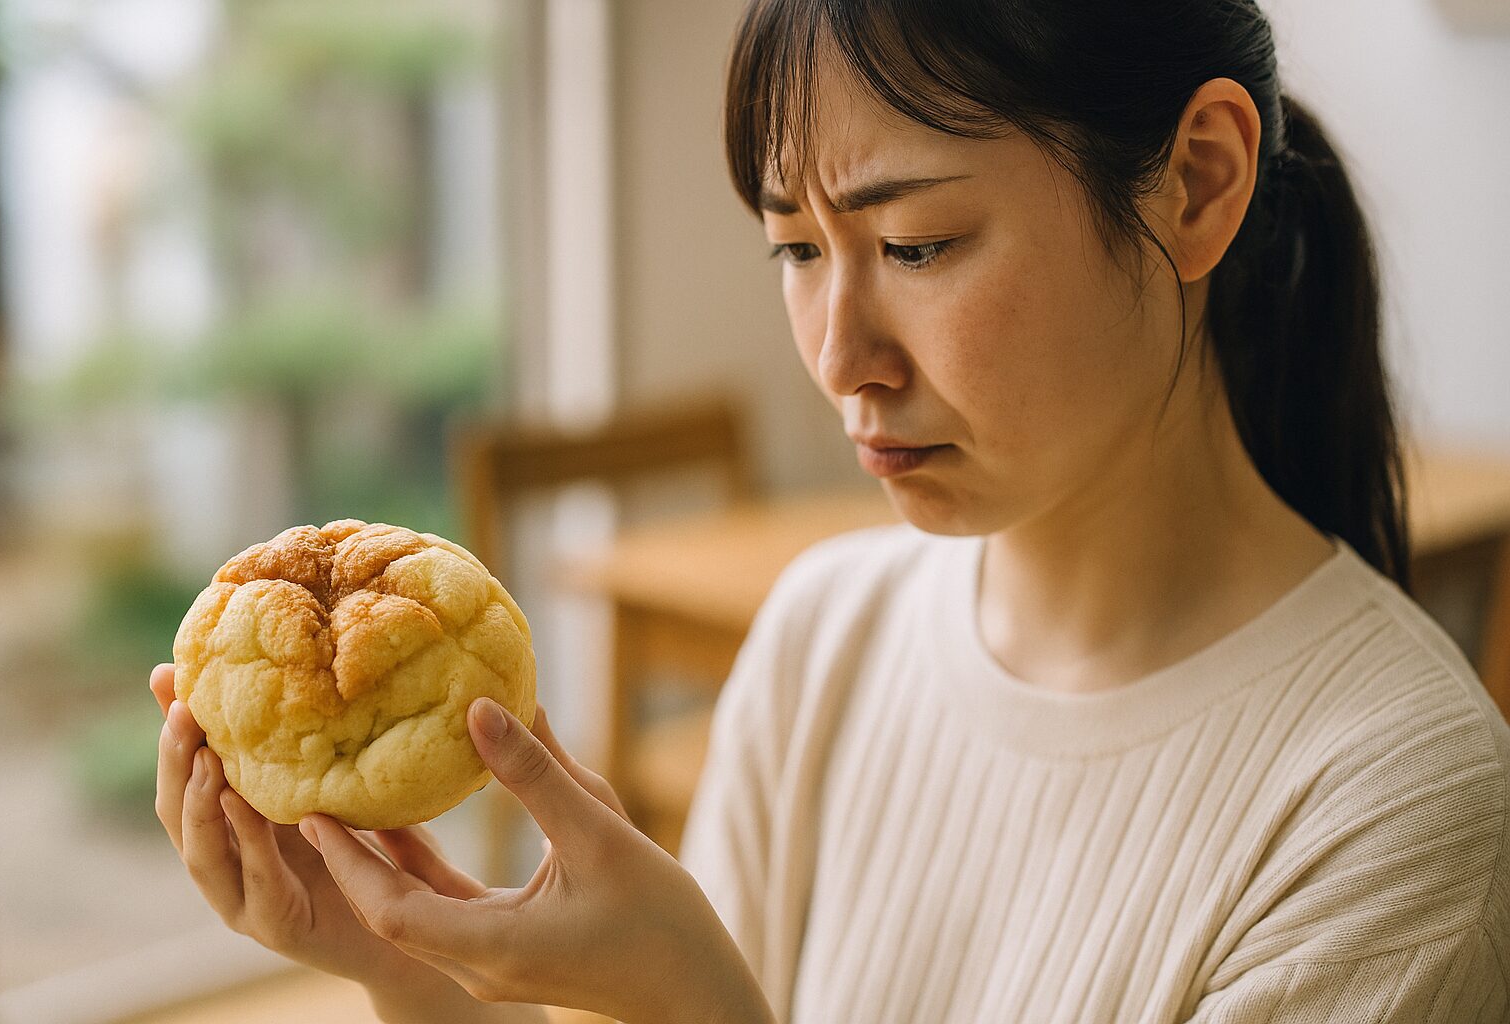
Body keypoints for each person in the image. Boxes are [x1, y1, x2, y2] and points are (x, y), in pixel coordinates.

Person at [153, 1, 1510, 1021]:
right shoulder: (824, 635)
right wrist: (401, 968)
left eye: (915, 244)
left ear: (1199, 181)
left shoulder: (1397, 806)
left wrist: (702, 1007)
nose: (840, 353)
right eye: (797, 249)